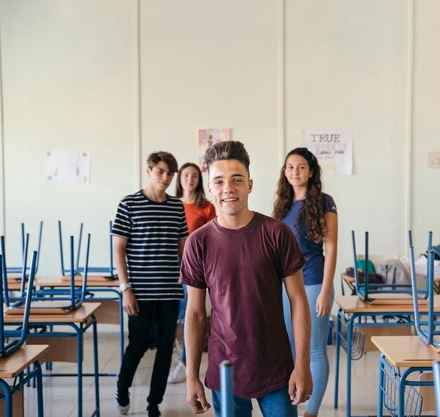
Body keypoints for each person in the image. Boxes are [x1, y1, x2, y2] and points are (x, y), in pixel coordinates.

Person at [180, 140, 313, 417]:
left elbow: (299, 301)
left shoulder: (276, 234)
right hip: (224, 370)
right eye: (218, 181)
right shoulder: (198, 243)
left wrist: (303, 364)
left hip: (275, 368)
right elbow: (194, 314)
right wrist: (192, 375)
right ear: (209, 189)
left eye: (236, 179)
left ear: (250, 185)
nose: (228, 188)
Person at [112, 151, 189, 417]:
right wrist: (125, 289)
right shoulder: (129, 204)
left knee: (166, 349)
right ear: (149, 171)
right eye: (160, 172)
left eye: (170, 174)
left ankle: (154, 403)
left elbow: (183, 250)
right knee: (138, 346)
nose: (165, 178)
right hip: (140, 292)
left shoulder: (176, 207)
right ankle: (122, 388)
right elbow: (118, 248)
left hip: (169, 291)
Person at [272, 147, 338, 417]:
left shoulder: (324, 201)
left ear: (311, 171)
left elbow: (331, 247)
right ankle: (293, 404)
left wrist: (325, 291)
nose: (295, 172)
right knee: (291, 349)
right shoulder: (282, 205)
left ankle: (312, 411)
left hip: (312, 283)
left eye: (300, 167)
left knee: (313, 350)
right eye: (290, 167)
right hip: (286, 287)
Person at [168, 162, 216, 384]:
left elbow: (213, 240)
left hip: (196, 267)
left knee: (189, 313)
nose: (189, 179)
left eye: (194, 175)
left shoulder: (206, 207)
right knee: (172, 315)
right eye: (186, 175)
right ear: (180, 179)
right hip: (170, 266)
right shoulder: (170, 205)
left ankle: (187, 362)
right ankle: (174, 356)